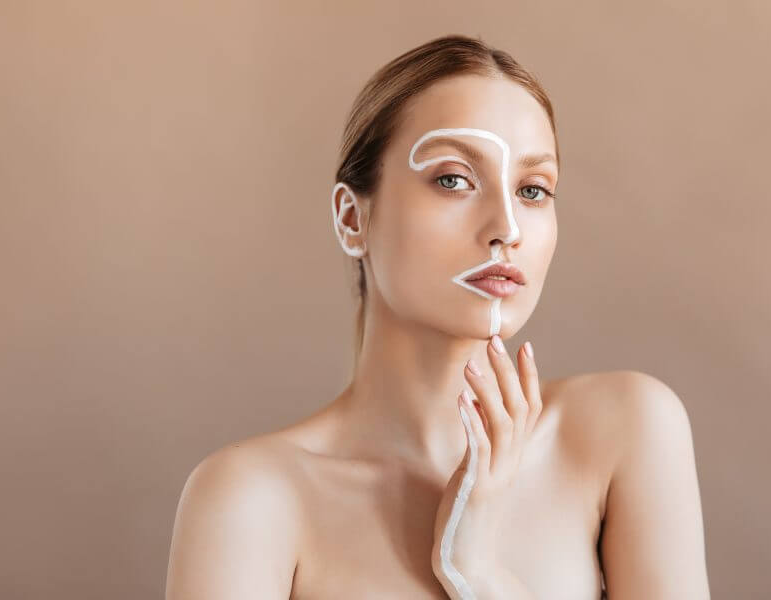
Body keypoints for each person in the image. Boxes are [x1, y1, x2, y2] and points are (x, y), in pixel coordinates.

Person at [164, 34, 711, 599]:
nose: (507, 228)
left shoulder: (625, 430)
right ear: (353, 218)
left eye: (533, 189)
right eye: (453, 179)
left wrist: (477, 571)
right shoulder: (250, 500)